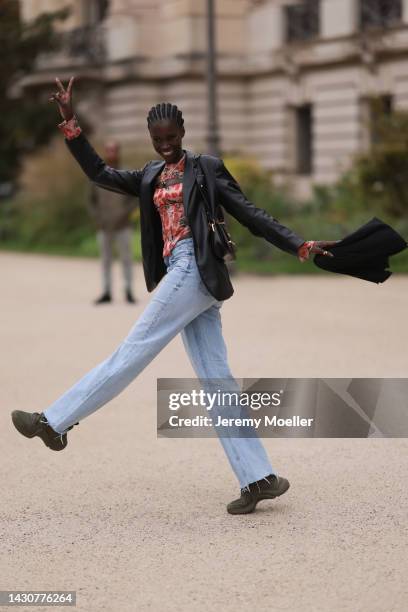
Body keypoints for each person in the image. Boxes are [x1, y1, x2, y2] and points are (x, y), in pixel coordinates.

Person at [11, 77, 337, 515]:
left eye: (171, 137)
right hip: (183, 274)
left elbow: (249, 213)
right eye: (157, 139)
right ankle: (259, 478)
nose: (165, 145)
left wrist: (297, 243)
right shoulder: (148, 175)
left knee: (131, 351)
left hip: (194, 269)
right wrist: (71, 123)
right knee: (217, 381)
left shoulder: (206, 168)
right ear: (151, 139)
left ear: (182, 133)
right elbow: (99, 173)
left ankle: (55, 421)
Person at [88, 140, 137, 305]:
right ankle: (107, 291)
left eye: (114, 150)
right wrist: (98, 218)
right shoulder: (97, 174)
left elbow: (134, 198)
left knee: (126, 259)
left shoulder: (126, 172)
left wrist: (125, 214)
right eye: (108, 150)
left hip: (122, 225)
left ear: (118, 152)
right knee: (105, 260)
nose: (111, 153)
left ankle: (129, 291)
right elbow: (91, 201)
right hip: (104, 226)